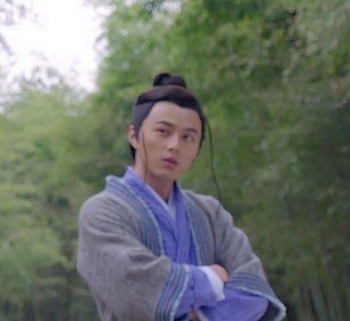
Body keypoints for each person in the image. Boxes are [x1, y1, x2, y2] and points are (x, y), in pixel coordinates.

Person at [76, 73, 286, 321]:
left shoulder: (210, 213)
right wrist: (211, 278)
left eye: (188, 137)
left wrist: (196, 313)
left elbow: (254, 291)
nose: (175, 145)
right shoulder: (103, 212)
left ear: (196, 151)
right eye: (163, 131)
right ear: (134, 136)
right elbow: (132, 290)